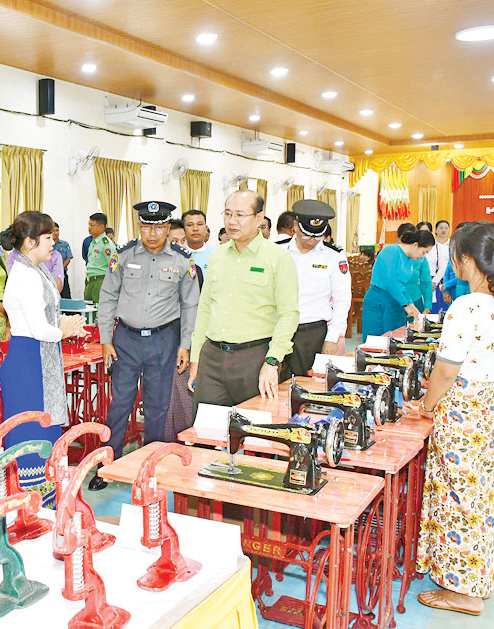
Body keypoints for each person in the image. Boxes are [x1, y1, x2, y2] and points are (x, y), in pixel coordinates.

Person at [416, 222, 494, 615]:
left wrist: (426, 406)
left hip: (467, 411)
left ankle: (463, 592)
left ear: (465, 260)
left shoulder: (466, 306)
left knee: (458, 497)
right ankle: (479, 576)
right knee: (485, 495)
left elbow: (446, 370)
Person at [94, 201, 201, 488]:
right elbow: (107, 297)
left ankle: (149, 468)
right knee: (120, 404)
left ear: (168, 228)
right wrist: (105, 340)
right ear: (139, 227)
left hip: (164, 340)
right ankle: (107, 464)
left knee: (157, 407)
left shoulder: (182, 260)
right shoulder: (123, 255)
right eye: (146, 227)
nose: (152, 234)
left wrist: (185, 344)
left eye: (159, 227)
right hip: (125, 340)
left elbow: (190, 305)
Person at [0, 211, 86, 506]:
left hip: (38, 359)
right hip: (27, 364)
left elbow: (47, 318)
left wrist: (68, 325)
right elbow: (40, 330)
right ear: (30, 242)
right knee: (30, 434)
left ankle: (46, 503)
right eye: (48, 238)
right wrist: (64, 330)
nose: (53, 243)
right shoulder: (24, 275)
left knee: (45, 430)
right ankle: (27, 504)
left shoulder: (37, 270)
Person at [188, 191, 299, 407]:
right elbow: (205, 309)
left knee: (252, 424)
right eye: (228, 214)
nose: (232, 221)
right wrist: (196, 359)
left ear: (259, 218)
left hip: (254, 359)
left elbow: (289, 314)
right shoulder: (218, 255)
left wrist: (272, 361)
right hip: (212, 359)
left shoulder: (278, 258)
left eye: (240, 215)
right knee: (207, 426)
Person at [276, 200, 351, 377]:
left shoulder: (334, 257)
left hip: (311, 333)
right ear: (295, 226)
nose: (311, 240)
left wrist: (332, 338)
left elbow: (342, 300)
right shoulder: (277, 250)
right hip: (276, 329)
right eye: (306, 235)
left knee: (309, 384)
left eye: (317, 236)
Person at [361, 227, 434, 338]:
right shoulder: (390, 251)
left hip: (395, 301)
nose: (422, 256)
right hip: (379, 300)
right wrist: (406, 304)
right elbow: (390, 281)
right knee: (376, 339)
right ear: (415, 245)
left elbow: (402, 285)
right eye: (424, 252)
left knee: (396, 338)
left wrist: (411, 304)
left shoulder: (409, 260)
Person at [397, 223, 435, 313]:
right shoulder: (395, 254)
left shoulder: (421, 259)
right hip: (396, 302)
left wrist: (427, 307)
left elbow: (426, 282)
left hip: (415, 300)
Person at [83, 212, 116, 304]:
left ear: (101, 227)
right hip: (90, 281)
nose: (89, 227)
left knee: (99, 310)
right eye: (89, 225)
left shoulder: (106, 244)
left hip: (100, 281)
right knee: (88, 309)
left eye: (92, 225)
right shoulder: (93, 242)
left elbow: (113, 267)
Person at [426, 220, 451, 312]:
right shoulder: (431, 245)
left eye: (446, 228)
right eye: (440, 228)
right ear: (435, 230)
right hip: (433, 279)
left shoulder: (452, 244)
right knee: (434, 307)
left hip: (447, 279)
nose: (443, 230)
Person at [52, 222, 74, 298]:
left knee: (66, 296)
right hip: (49, 274)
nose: (55, 233)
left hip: (62, 274)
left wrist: (60, 269)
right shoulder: (47, 244)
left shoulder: (64, 244)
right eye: (53, 231)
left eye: (57, 230)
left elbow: (68, 258)